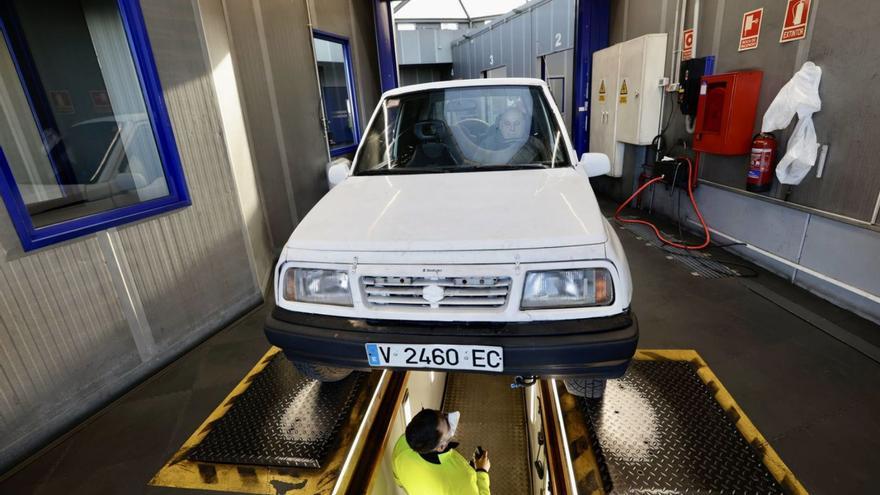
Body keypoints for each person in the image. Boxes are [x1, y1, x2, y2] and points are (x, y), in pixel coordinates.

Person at [392, 409, 491, 495]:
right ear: (441, 447)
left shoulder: (402, 445)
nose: (451, 417)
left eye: (443, 414)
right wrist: (482, 471)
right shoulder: (464, 479)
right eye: (448, 424)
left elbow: (400, 481)